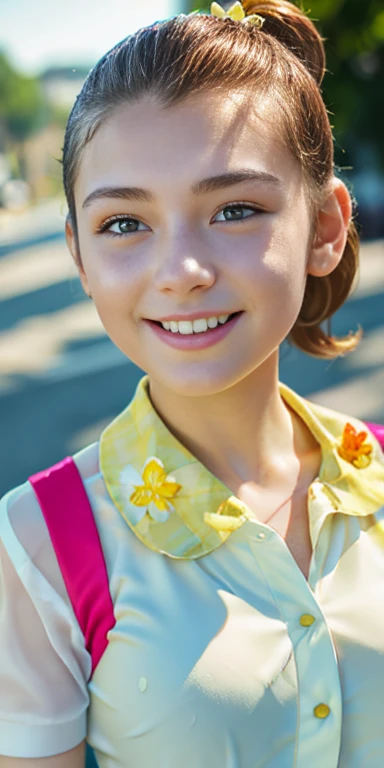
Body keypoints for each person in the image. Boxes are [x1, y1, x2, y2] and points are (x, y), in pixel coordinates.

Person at [1, 1, 384, 766]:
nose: (181, 272)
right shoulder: (40, 545)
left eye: (234, 209)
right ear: (78, 252)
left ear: (326, 228)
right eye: (123, 224)